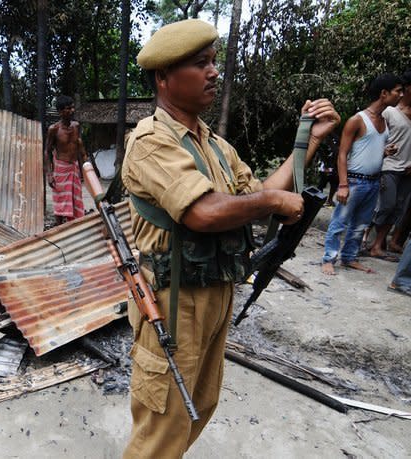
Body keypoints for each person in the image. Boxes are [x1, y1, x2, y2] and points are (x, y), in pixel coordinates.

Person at [120, 19, 340, 458]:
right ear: (164, 78)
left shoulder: (214, 143)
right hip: (174, 301)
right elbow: (202, 212)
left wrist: (307, 143)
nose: (214, 73)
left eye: (213, 63)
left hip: (216, 290)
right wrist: (276, 202)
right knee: (163, 424)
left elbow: (255, 192)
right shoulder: (150, 141)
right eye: (201, 64)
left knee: (199, 404)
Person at [321, 74, 403, 275]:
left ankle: (349, 258)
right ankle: (328, 259)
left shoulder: (383, 121)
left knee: (360, 225)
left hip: (373, 181)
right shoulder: (357, 120)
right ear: (384, 94)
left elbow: (366, 149)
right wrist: (343, 184)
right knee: (339, 222)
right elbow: (342, 154)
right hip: (355, 180)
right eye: (397, 91)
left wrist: (384, 152)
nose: (401, 95)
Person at [368, 70, 411, 258]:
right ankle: (364, 237)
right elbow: (377, 136)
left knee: (396, 209)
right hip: (390, 166)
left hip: (408, 169)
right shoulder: (390, 112)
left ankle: (377, 245)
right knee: (386, 205)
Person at [45, 95, 87, 223]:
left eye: (72, 108)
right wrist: (49, 174)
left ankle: (74, 226)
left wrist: (84, 168)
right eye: (68, 108)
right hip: (61, 169)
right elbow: (47, 151)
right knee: (61, 200)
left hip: (74, 168)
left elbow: (79, 147)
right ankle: (59, 228)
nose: (72, 111)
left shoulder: (76, 126)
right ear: (60, 111)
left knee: (75, 199)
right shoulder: (54, 129)